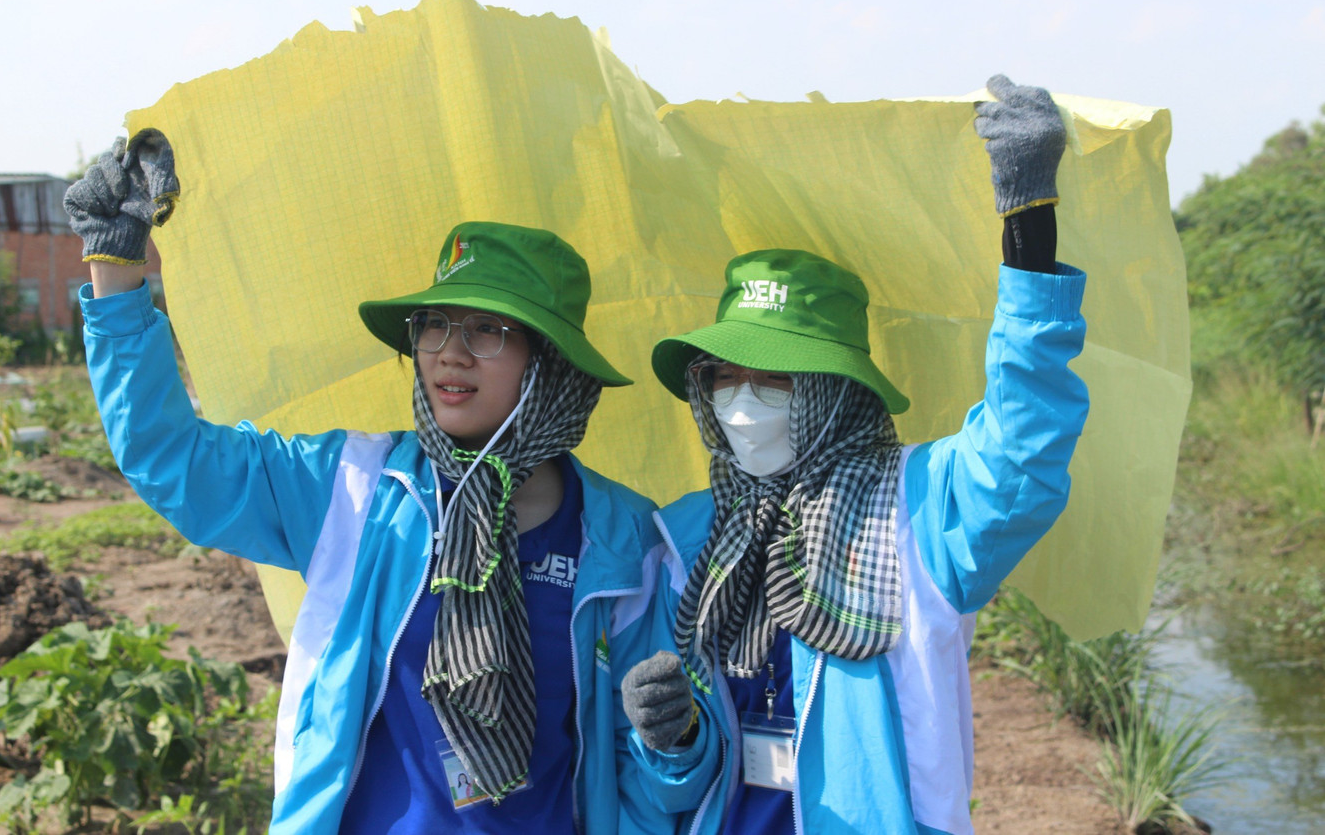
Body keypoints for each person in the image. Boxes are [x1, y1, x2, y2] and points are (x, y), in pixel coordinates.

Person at [63, 144, 724, 834]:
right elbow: (175, 461)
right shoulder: (356, 490)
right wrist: (116, 269)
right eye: (435, 324)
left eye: (488, 330)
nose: (450, 352)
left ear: (550, 364)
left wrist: (677, 740)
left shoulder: (623, 541)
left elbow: (649, 782)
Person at [620, 75, 1090, 833]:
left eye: (775, 379)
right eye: (723, 378)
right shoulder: (688, 538)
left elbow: (1023, 451)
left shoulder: (919, 510)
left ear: (836, 393)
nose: (740, 403)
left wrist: (1029, 221)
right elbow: (673, 793)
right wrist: (670, 741)